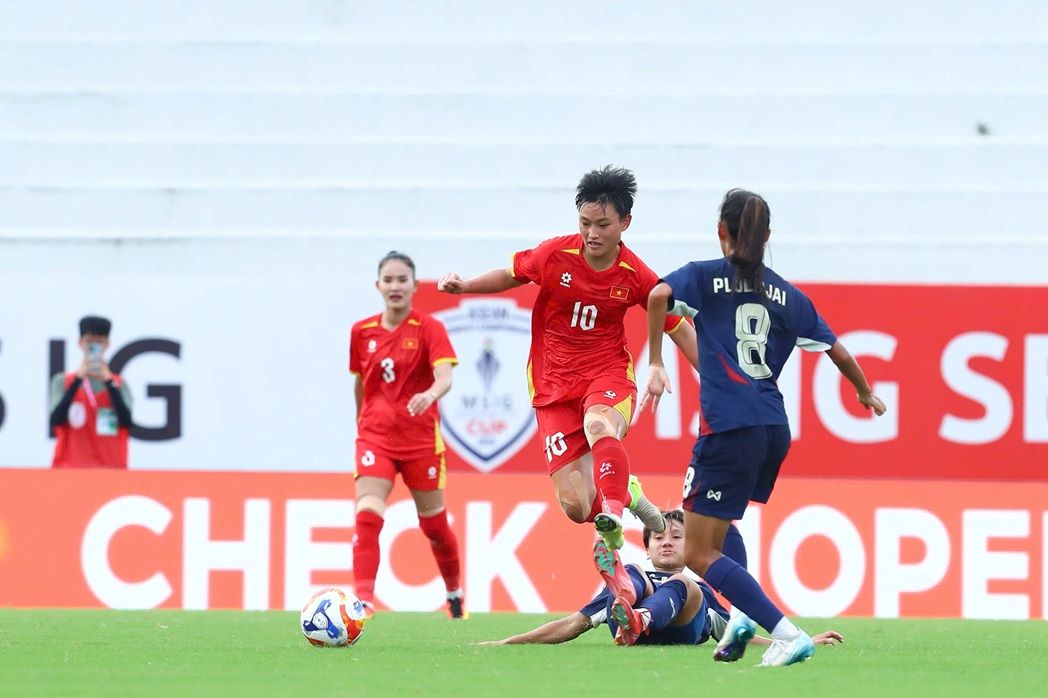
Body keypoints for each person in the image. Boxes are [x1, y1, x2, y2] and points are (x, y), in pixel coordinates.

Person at [640, 188, 888, 666]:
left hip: (728, 426)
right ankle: (739, 619)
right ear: (768, 236)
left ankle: (787, 633)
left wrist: (654, 361)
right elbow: (836, 348)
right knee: (720, 526)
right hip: (773, 426)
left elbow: (656, 296)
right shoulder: (787, 294)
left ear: (722, 233)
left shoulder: (704, 276)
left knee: (695, 551)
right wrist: (863, 391)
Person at [438, 165, 699, 607]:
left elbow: (678, 327)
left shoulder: (636, 274)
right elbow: (511, 274)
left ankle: (614, 515)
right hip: (553, 384)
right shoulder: (555, 255)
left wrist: (711, 378)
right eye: (585, 223)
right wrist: (466, 287)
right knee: (577, 507)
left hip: (608, 373)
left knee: (601, 427)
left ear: (625, 224)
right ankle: (627, 493)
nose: (592, 233)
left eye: (603, 224)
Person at [481, 509, 844, 650]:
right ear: (649, 544)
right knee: (635, 575)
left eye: (676, 537)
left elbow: (737, 633)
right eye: (658, 537)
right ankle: (635, 613)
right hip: (630, 605)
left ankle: (640, 619)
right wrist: (508, 641)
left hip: (678, 618)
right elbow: (573, 624)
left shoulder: (699, 584)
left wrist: (796, 640)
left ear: (693, 545)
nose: (666, 541)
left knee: (684, 585)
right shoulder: (632, 576)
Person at [349, 251, 465, 619]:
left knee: (433, 525)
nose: (395, 286)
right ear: (378, 285)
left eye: (402, 280)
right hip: (375, 437)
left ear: (415, 286)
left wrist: (431, 393)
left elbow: (445, 375)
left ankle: (454, 593)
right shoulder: (361, 331)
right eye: (388, 279)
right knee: (368, 514)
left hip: (420, 441)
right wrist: (361, 424)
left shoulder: (430, 328)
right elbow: (360, 384)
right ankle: (363, 601)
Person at [50, 315, 133, 468]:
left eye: (99, 342)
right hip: (70, 468)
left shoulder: (119, 384)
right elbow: (56, 419)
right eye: (89, 341)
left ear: (107, 344)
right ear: (80, 343)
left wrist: (109, 382)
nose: (93, 347)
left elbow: (127, 422)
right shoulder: (62, 381)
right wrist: (77, 381)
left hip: (111, 468)